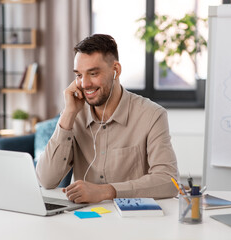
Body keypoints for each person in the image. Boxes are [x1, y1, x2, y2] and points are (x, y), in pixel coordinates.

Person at [36, 34, 178, 204]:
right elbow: (46, 180)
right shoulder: (75, 115)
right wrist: (68, 114)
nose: (85, 84)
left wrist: (107, 191)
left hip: (134, 222)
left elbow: (169, 181)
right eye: (79, 75)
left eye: (93, 73)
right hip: (85, 220)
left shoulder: (152, 115)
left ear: (116, 70)